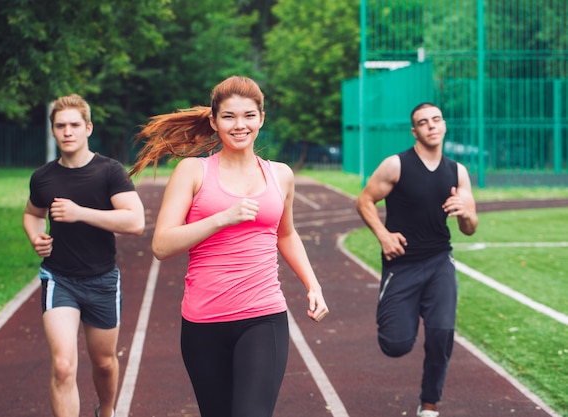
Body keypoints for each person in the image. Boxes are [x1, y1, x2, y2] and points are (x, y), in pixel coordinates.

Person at [129, 75, 329, 417]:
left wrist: (313, 284)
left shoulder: (280, 175)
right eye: (229, 116)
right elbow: (162, 245)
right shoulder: (193, 171)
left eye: (249, 115)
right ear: (214, 121)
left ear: (261, 118)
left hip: (263, 316)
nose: (240, 125)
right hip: (203, 320)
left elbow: (286, 235)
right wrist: (221, 218)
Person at [23, 94, 145, 417]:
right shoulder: (43, 177)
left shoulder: (109, 172)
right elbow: (32, 213)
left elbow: (135, 221)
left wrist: (80, 213)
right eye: (60, 126)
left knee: (104, 363)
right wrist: (36, 236)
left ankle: (106, 410)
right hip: (59, 278)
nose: (67, 132)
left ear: (88, 128)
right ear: (52, 130)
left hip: (102, 280)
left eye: (75, 125)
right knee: (63, 365)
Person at [355, 102, 478, 417]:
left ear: (444, 125)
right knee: (395, 345)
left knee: (442, 334)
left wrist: (465, 213)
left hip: (440, 261)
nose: (431, 126)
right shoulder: (396, 165)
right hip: (402, 264)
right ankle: (392, 315)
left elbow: (469, 228)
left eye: (436, 120)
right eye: (424, 122)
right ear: (415, 131)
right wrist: (383, 235)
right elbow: (365, 200)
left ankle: (429, 403)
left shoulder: (457, 171)